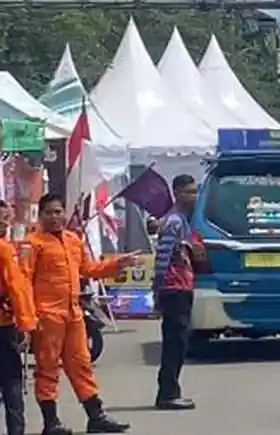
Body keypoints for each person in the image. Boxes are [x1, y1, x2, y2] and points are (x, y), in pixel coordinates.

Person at [24, 194, 139, 435]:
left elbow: (88, 269)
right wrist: (28, 318)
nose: (55, 217)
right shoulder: (32, 243)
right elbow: (24, 281)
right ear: (41, 216)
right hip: (47, 315)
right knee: (47, 368)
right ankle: (51, 423)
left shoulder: (73, 240)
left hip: (73, 313)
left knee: (81, 364)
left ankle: (96, 416)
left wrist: (117, 263)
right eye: (49, 213)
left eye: (58, 212)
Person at [151, 174, 198, 411]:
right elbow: (163, 258)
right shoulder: (174, 222)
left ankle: (171, 390)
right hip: (173, 288)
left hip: (182, 287)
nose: (194, 196)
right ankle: (168, 393)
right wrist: (157, 290)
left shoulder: (181, 220)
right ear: (177, 193)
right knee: (174, 344)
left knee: (178, 344)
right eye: (189, 192)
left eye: (195, 191)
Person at [0, 200, 35, 435]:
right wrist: (25, 324)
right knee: (12, 382)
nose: (6, 223)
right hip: (3, 325)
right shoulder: (5, 249)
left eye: (7, 219)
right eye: (3, 219)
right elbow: (17, 288)